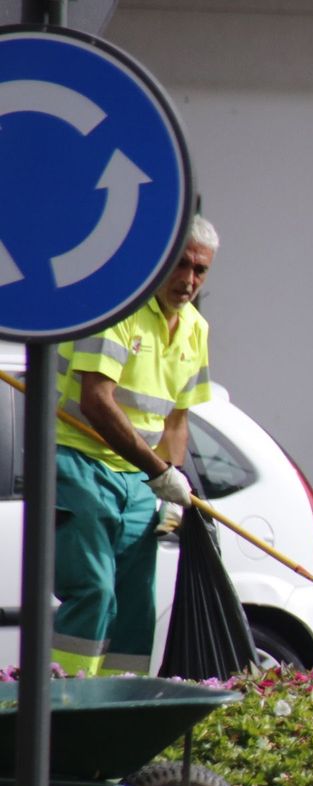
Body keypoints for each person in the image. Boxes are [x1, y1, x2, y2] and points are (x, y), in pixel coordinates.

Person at [51, 215, 216, 677]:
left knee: (135, 605)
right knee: (94, 591)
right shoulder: (116, 309)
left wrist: (172, 484)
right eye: (181, 265)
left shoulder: (196, 330)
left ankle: (120, 710)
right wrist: (161, 474)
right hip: (79, 461)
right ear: (159, 261)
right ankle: (64, 703)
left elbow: (176, 421)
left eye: (200, 270)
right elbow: (96, 402)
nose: (188, 280)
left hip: (140, 481)